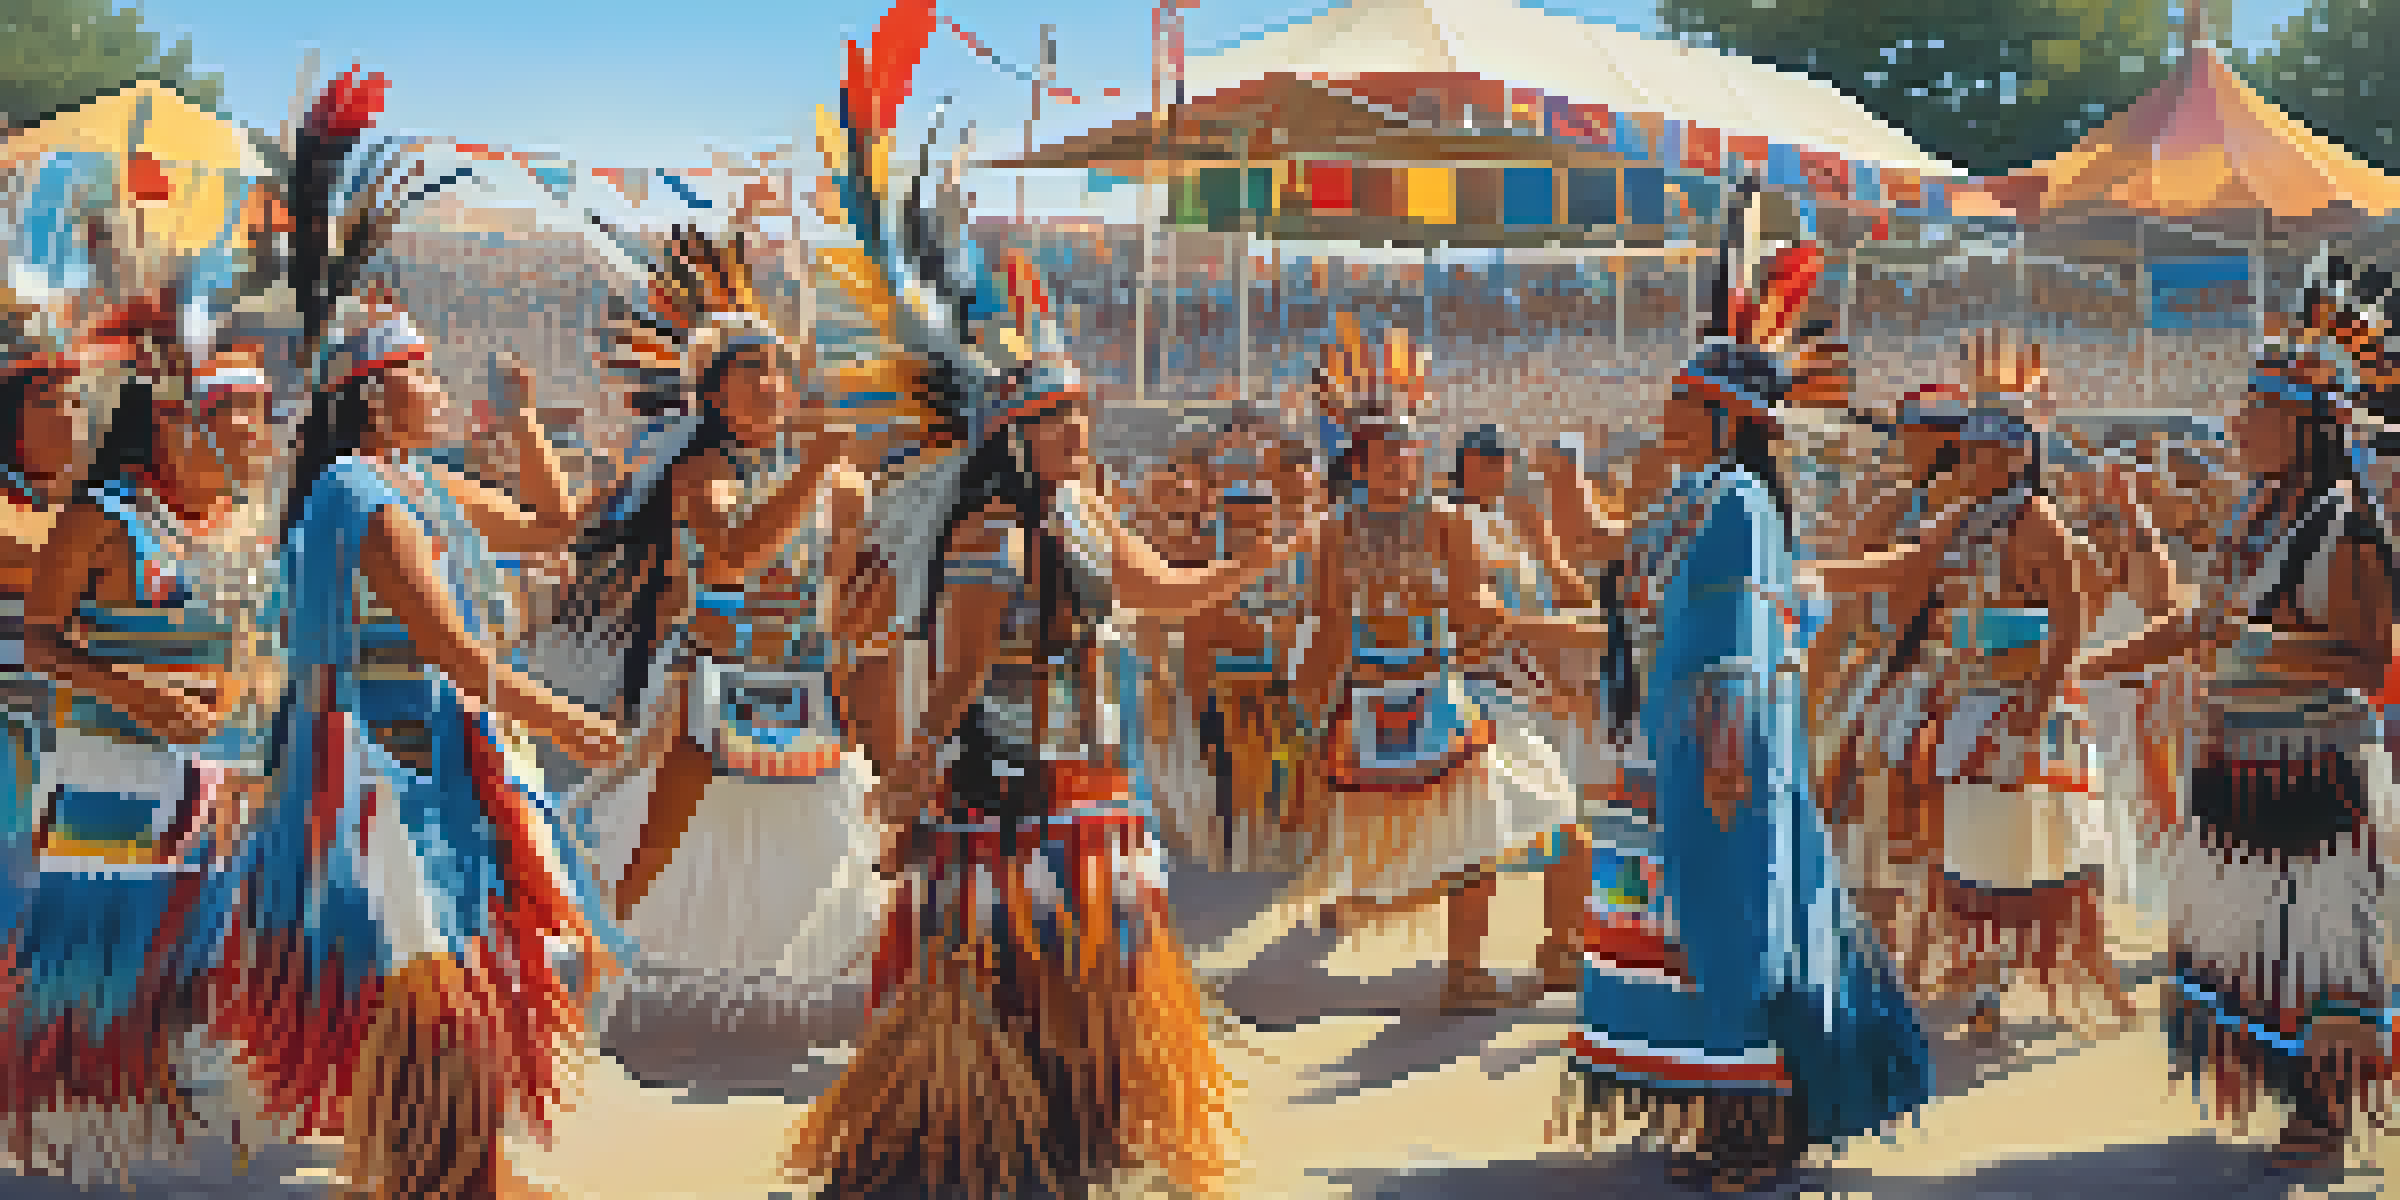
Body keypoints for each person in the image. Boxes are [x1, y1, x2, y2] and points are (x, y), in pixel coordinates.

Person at [784, 8, 1300, 1190]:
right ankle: (994, 1133)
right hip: (1007, 788)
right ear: (1015, 438)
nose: (1082, 430)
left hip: (1086, 780)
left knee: (1091, 969)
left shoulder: (1078, 511)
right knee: (1012, 965)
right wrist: (914, 771)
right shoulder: (991, 530)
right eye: (1061, 419)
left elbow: (1164, 597)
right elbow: (963, 671)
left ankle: (1070, 1126)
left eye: (1080, 415)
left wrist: (1260, 567)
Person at [1564, 205, 1933, 1193]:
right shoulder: (1700, 495)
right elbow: (1617, 573)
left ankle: (1760, 1123)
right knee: (1703, 931)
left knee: (1738, 933)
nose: (1666, 410)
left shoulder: (1735, 500)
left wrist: (1725, 757)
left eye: (1683, 399)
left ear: (1728, 417)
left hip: (1721, 746)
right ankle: (1737, 1113)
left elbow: (1742, 641)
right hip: (1687, 741)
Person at [2079, 259, 2399, 1172]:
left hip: (2317, 766)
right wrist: (2095, 664)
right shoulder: (2253, 514)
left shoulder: (2345, 523)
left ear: (2306, 426)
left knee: (2324, 939)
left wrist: (2253, 645)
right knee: (2252, 933)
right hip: (2236, 756)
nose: (2237, 425)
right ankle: (2290, 1084)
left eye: (2256, 412)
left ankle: (2326, 1109)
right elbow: (2196, 623)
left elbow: (2365, 659)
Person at [561, 230, 897, 1016]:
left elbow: (849, 598)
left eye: (780, 368)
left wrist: (868, 606)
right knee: (659, 848)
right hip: (709, 690)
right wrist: (814, 473)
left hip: (804, 687)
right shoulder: (703, 471)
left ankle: (803, 989)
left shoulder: (841, 484)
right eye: (753, 370)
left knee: (835, 850)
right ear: (712, 394)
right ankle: (602, 972)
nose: (773, 383)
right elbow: (730, 560)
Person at [1292, 318, 1599, 1014]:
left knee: (1528, 825)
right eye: (1387, 457)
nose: (1402, 467)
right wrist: (1309, 707)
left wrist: (1493, 621)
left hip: (1428, 694)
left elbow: (1463, 613)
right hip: (1407, 700)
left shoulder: (1438, 522)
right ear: (1360, 462)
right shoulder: (1350, 529)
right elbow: (1337, 620)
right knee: (1513, 829)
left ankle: (1549, 953)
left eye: (1410, 455)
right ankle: (1486, 969)